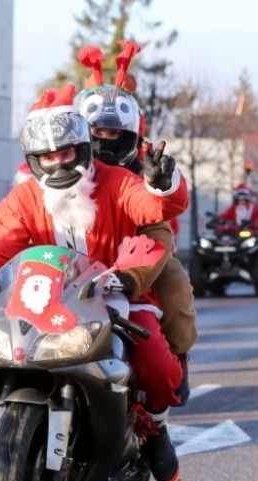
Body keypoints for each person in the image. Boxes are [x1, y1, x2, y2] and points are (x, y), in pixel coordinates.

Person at [0, 84, 189, 481]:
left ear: (83, 148)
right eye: (47, 156)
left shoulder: (119, 182)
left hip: (118, 295)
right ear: (34, 161)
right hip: (44, 303)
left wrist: (162, 183)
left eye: (66, 153)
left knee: (155, 362)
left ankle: (156, 428)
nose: (58, 164)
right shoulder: (22, 199)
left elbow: (157, 207)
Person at [74, 39, 198, 362]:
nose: (103, 137)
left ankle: (177, 357)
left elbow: (163, 214)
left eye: (112, 132)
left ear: (129, 131)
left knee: (173, 281)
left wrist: (161, 183)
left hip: (138, 261)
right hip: (71, 268)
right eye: (95, 130)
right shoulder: (60, 168)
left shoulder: (145, 167)